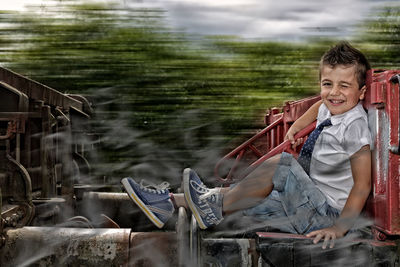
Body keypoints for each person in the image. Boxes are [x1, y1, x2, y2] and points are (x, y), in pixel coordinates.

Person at [121, 41, 372, 249]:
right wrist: (296, 126)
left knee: (283, 165)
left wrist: (338, 229)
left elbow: (362, 185)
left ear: (361, 92)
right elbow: (319, 104)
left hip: (326, 215)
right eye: (327, 84)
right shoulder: (331, 108)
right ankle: (167, 204)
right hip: (306, 203)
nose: (333, 93)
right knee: (244, 195)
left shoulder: (354, 126)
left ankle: (210, 210)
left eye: (344, 86)